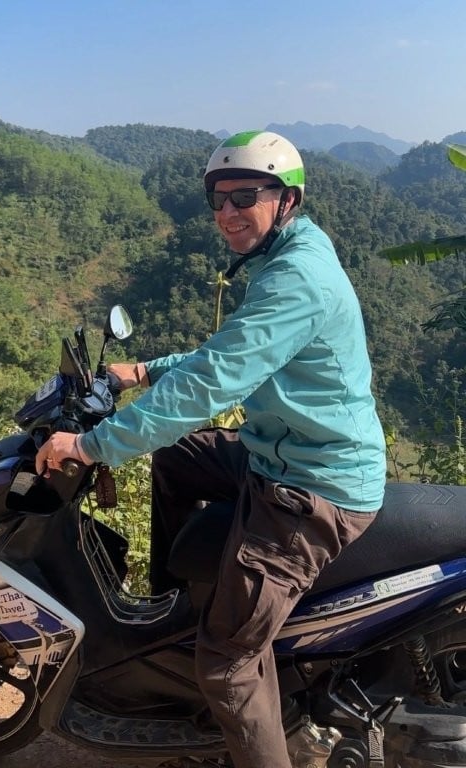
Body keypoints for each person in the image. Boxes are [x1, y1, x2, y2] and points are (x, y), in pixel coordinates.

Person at [35, 130, 386, 768]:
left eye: (244, 196)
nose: (226, 213)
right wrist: (142, 370)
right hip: (280, 449)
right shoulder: (288, 254)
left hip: (312, 487)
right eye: (217, 200)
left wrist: (92, 445)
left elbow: (211, 384)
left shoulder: (297, 277)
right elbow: (225, 356)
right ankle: (174, 609)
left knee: (228, 664)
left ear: (288, 200)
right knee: (176, 458)